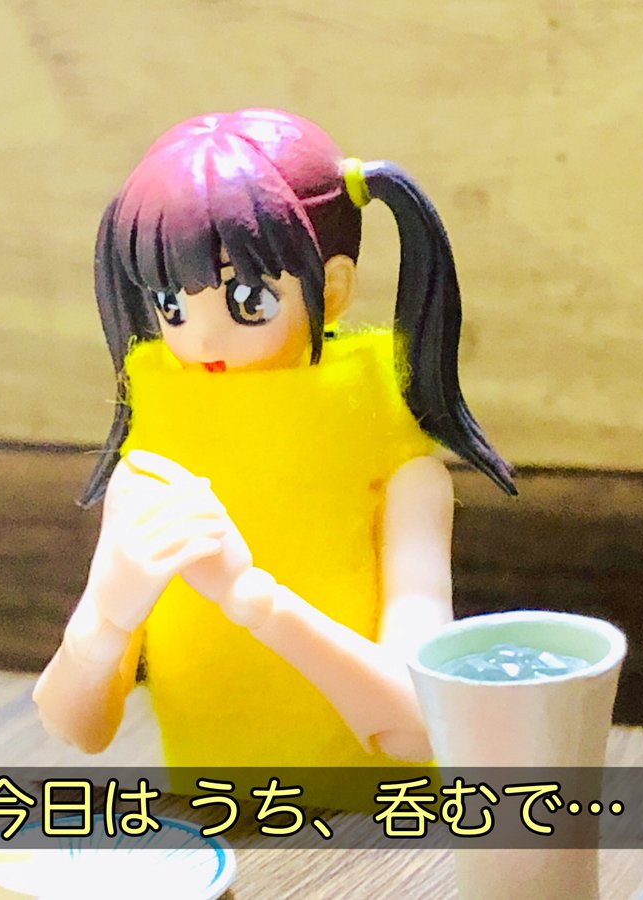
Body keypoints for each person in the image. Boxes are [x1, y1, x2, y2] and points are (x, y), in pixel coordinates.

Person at [33, 108, 515, 774]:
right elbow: (77, 728)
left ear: (333, 289)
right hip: (207, 810)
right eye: (171, 305)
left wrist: (255, 601)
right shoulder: (150, 474)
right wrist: (104, 619)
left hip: (370, 821)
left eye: (248, 301)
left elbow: (419, 727)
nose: (202, 337)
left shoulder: (403, 475)